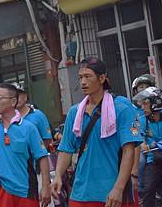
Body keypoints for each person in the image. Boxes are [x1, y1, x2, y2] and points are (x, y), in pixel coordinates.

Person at [52, 57, 143, 207]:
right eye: (80, 77)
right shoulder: (74, 113)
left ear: (101, 78)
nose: (82, 82)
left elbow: (129, 151)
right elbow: (66, 149)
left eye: (88, 77)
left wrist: (119, 188)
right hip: (80, 193)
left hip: (111, 193)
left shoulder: (123, 107)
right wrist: (57, 176)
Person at [0, 83, 51, 207]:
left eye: (0, 98)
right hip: (0, 189)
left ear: (13, 102)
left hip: (26, 190)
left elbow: (42, 157)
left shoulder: (29, 128)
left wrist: (45, 186)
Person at [135, 87, 162, 207]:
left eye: (145, 103)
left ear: (155, 104)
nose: (142, 107)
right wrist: (141, 142)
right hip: (153, 160)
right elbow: (133, 130)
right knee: (149, 189)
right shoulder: (142, 119)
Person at [13, 83, 53, 148]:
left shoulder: (38, 115)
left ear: (25, 97)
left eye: (19, 95)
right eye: (13, 96)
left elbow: (47, 139)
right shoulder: (8, 117)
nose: (16, 98)